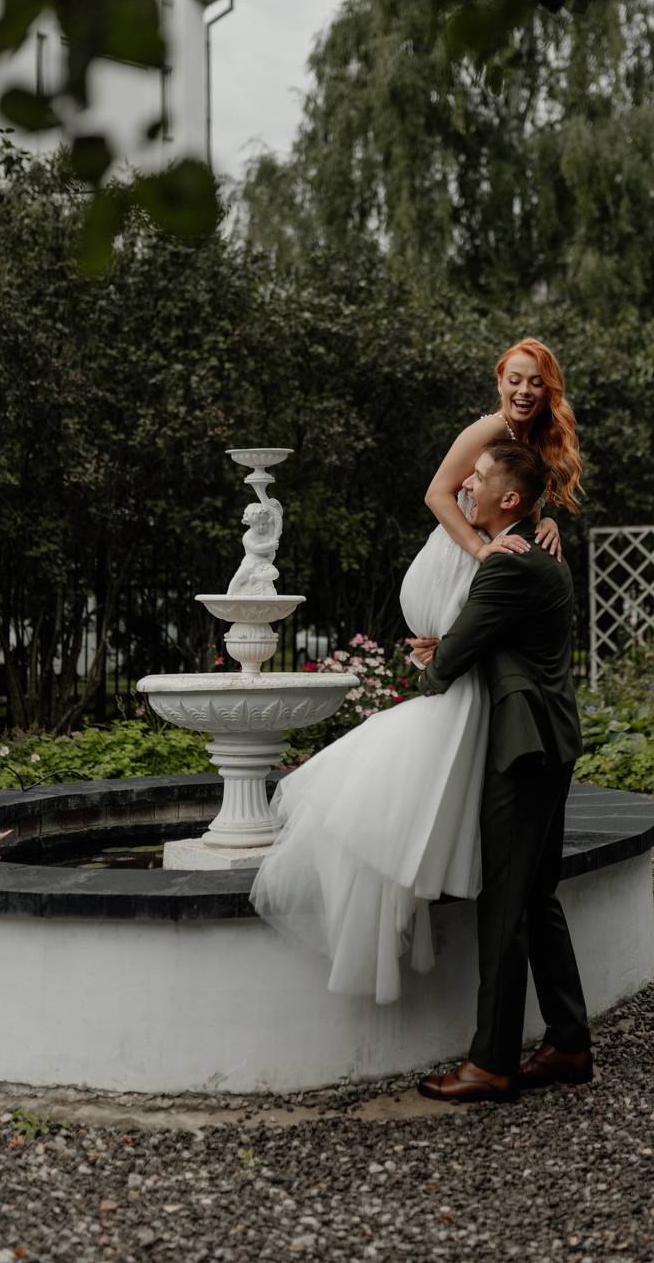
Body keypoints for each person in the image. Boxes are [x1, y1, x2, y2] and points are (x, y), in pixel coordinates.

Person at [249, 338, 583, 1005]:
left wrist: (545, 526)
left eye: (535, 383)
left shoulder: (534, 445)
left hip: (495, 555)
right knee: (456, 681)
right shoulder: (488, 429)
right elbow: (439, 492)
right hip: (465, 549)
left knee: (465, 689)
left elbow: (518, 501)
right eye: (514, 379)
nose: (523, 392)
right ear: (499, 381)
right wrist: (481, 549)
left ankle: (452, 815)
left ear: (549, 392)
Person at [413, 440, 591, 1103]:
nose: (467, 483)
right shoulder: (538, 556)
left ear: (508, 499)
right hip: (549, 740)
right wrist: (453, 643)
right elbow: (502, 639)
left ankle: (491, 1063)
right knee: (536, 895)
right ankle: (568, 1042)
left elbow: (447, 665)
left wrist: (430, 660)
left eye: (480, 477)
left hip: (521, 749)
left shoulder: (507, 563)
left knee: (506, 903)